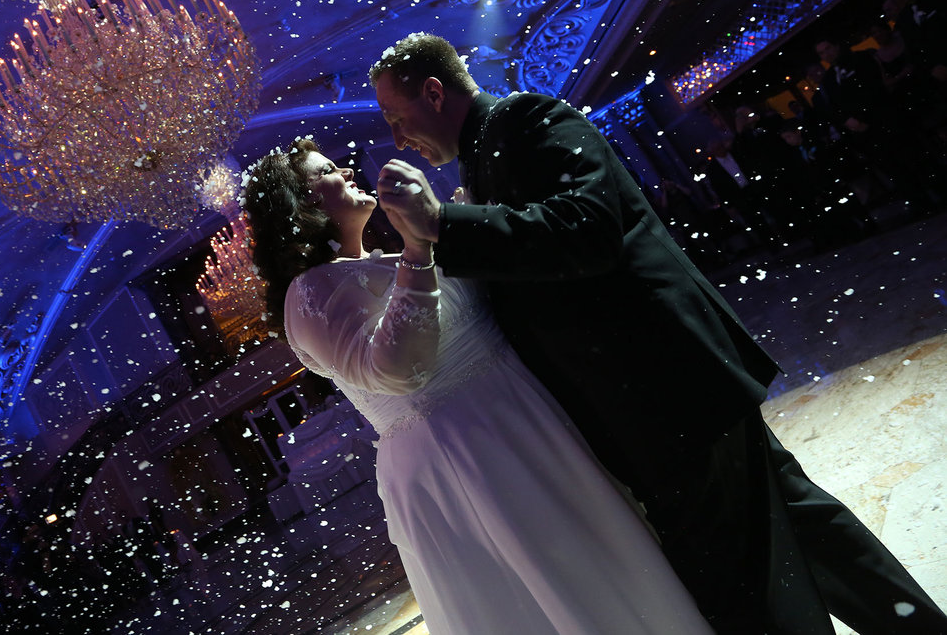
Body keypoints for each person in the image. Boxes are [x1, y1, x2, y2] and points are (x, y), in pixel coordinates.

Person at [369, 32, 947, 634]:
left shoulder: (528, 118)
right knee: (800, 531)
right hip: (666, 385)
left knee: (741, 581)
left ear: (434, 92)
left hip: (661, 388)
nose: (396, 136)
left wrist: (443, 224)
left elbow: (587, 228)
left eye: (394, 115)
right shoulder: (485, 158)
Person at [241, 137, 711, 634]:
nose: (349, 171)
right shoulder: (310, 291)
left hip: (516, 416)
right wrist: (420, 249)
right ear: (305, 204)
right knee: (564, 578)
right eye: (329, 170)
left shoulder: (374, 263)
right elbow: (397, 368)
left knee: (601, 557)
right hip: (466, 448)